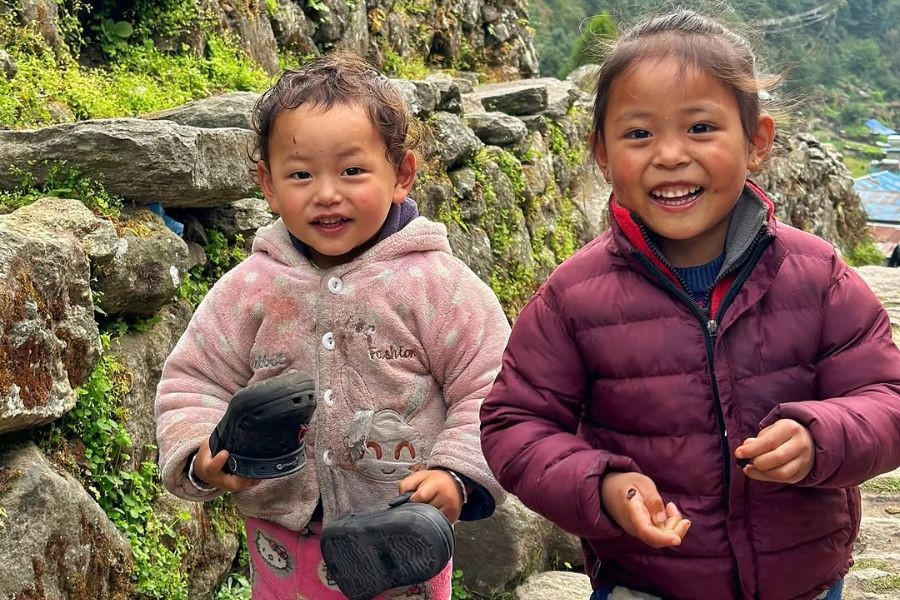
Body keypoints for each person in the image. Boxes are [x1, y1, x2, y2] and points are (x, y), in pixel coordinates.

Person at [480, 9, 900, 600]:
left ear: (756, 142)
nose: (670, 155)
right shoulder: (574, 297)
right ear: (602, 153)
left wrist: (821, 436)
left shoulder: (818, 277)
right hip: (645, 582)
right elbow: (514, 424)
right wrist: (603, 485)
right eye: (638, 133)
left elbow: (887, 398)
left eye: (701, 128)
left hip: (802, 585)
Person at [156, 52, 509, 599]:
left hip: (398, 541)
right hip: (281, 543)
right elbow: (192, 379)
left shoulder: (439, 287)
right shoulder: (251, 289)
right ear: (268, 187)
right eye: (300, 174)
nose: (325, 193)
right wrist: (202, 454)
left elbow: (490, 386)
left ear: (402, 175)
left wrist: (454, 475)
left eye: (352, 170)